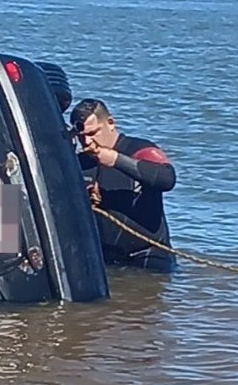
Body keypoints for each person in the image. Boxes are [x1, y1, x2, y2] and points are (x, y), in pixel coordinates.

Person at [69, 98, 177, 272]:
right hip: (105, 259)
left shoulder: (139, 149)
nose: (87, 142)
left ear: (110, 123)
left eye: (92, 134)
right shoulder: (79, 163)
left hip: (148, 256)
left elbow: (166, 178)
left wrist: (114, 159)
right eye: (81, 137)